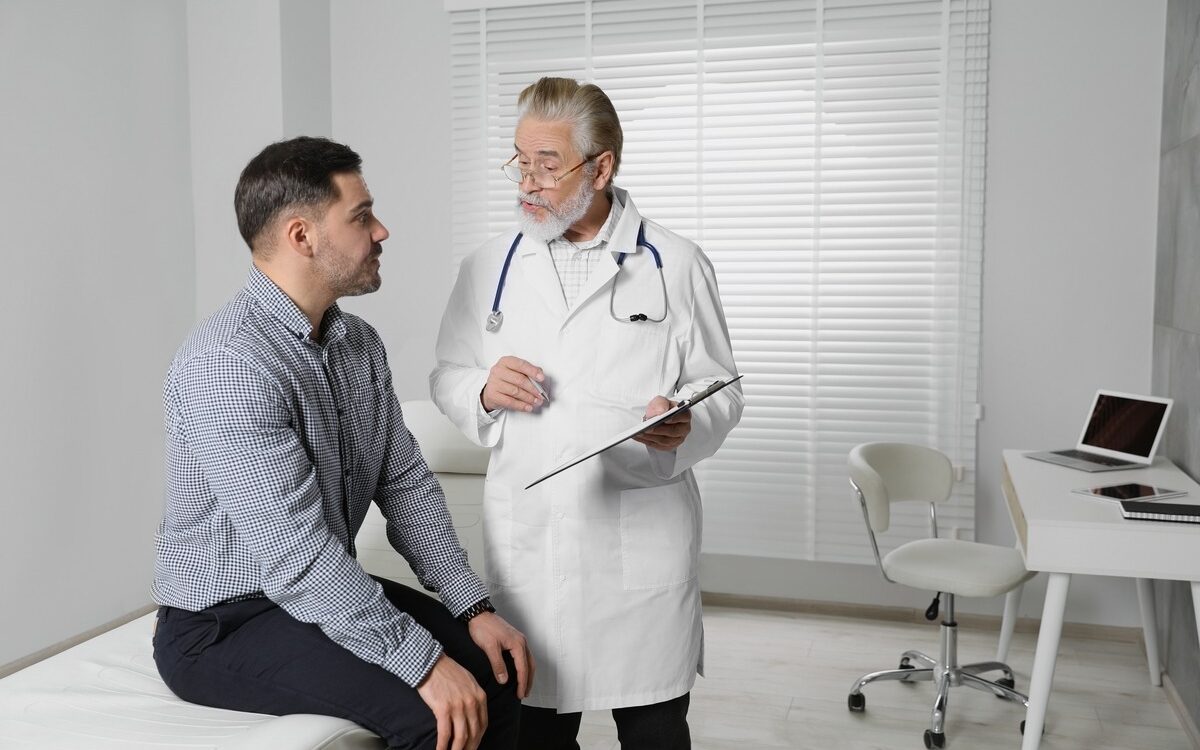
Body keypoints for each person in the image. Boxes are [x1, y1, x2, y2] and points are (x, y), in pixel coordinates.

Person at [152, 136, 533, 750]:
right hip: (225, 623)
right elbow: (295, 555)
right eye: (361, 216)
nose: (381, 231)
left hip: (309, 597)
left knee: (497, 669)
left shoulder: (357, 343)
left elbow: (404, 481)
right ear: (302, 236)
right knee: (433, 713)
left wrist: (471, 607)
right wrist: (422, 663)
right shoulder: (228, 363)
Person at [430, 78, 744, 750]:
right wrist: (483, 389)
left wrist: (684, 423)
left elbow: (721, 389)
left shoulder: (676, 264)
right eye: (520, 160)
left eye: (549, 163)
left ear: (601, 167)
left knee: (655, 731)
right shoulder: (487, 265)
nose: (528, 180)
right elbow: (447, 375)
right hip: (531, 547)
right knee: (536, 732)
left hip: (638, 540)